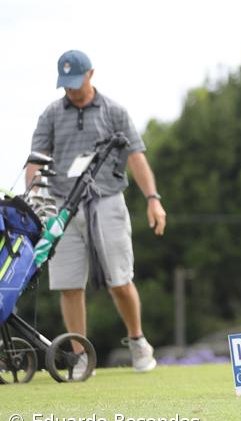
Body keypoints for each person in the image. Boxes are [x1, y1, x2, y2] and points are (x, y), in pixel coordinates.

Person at [26, 50, 167, 373]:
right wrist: (34, 193)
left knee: (119, 280)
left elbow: (136, 157)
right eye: (66, 84)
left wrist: (153, 198)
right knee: (69, 285)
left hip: (106, 200)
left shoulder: (114, 111)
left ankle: (137, 341)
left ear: (91, 74)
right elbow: (36, 159)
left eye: (75, 82)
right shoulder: (51, 114)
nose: (70, 90)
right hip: (62, 206)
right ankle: (80, 357)